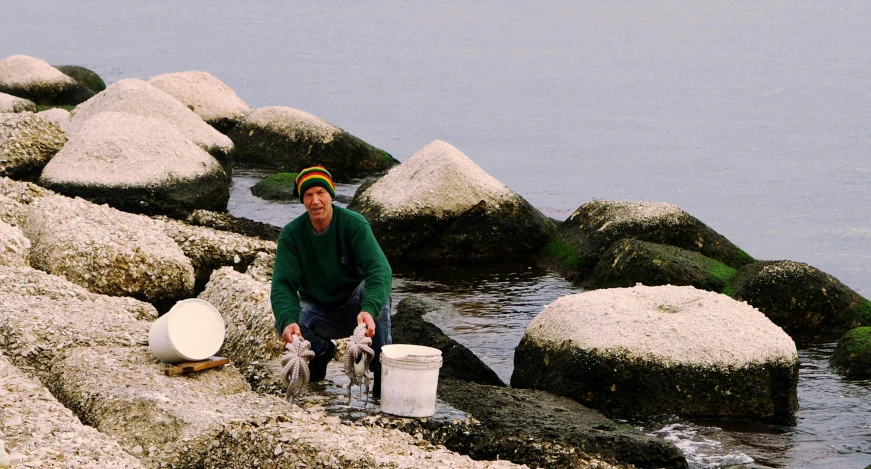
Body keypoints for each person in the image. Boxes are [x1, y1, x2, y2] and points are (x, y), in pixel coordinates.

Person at [271, 165, 392, 397]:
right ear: (302, 200)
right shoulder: (291, 235)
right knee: (285, 318)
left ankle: (381, 373)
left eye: (320, 193)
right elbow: (282, 285)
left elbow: (379, 269)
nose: (315, 200)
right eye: (308, 195)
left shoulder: (354, 224)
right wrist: (287, 321)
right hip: (319, 312)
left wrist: (369, 307)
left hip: (356, 310)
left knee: (376, 292)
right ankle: (321, 353)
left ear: (331, 194)